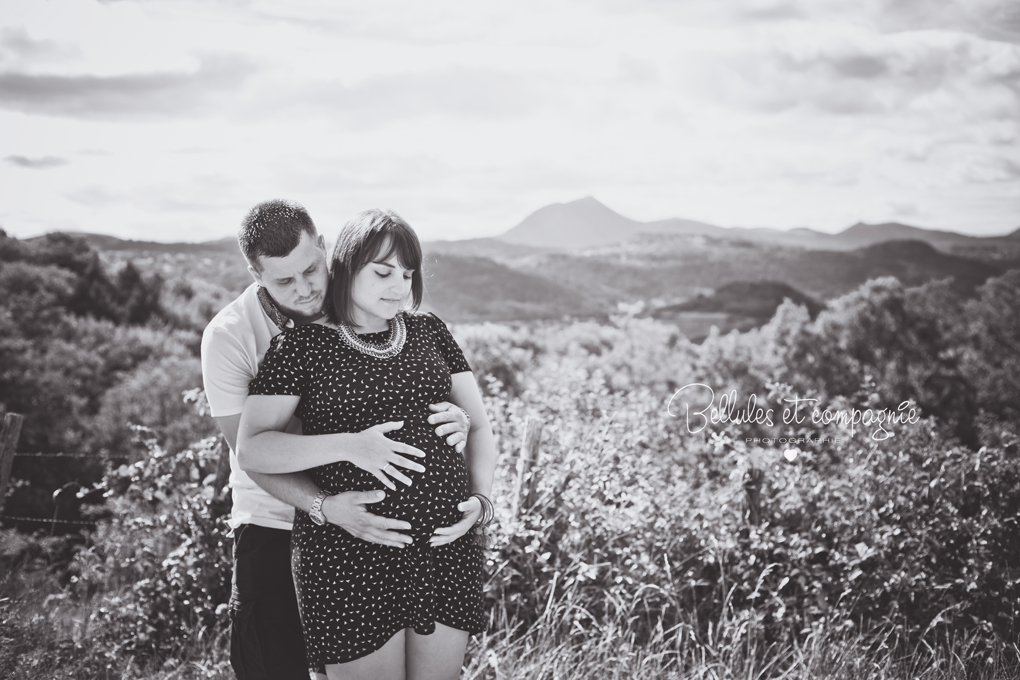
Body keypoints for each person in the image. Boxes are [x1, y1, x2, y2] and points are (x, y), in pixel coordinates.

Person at [201, 200, 470, 680]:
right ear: (254, 273)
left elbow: (406, 388)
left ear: (324, 248)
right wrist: (327, 499)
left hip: (373, 532)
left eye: (311, 270)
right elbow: (251, 456)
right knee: (274, 667)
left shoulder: (359, 303)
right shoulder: (229, 336)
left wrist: (453, 419)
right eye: (284, 281)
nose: (305, 290)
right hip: (274, 520)